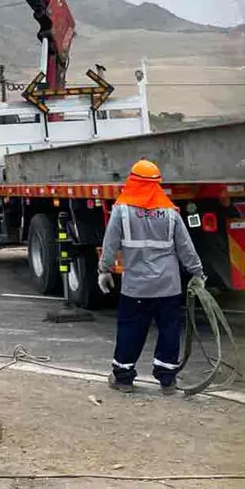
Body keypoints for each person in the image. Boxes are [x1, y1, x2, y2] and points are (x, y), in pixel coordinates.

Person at [98, 159, 205, 395]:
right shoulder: (169, 212)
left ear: (132, 181)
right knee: (169, 329)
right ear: (157, 184)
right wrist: (197, 273)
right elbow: (185, 248)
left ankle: (123, 378)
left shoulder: (122, 211)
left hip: (136, 286)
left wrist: (104, 270)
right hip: (168, 285)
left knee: (130, 329)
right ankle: (167, 380)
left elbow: (110, 244)